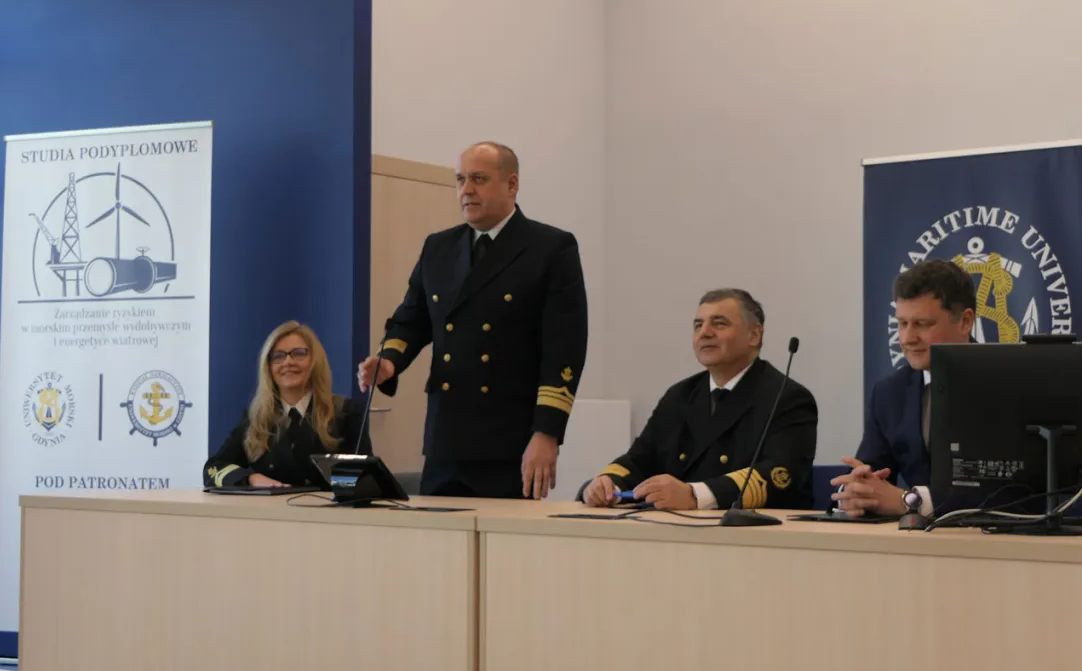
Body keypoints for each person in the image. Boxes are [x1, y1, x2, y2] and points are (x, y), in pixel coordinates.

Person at [358, 141, 588, 500]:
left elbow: (564, 350)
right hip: (445, 439)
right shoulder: (438, 247)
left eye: (478, 179)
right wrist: (388, 361)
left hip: (510, 441)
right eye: (460, 179)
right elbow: (410, 319)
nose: (466, 190)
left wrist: (547, 432)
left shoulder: (550, 248)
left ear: (512, 184)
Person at [582, 289, 817, 510]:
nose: (704, 333)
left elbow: (779, 476)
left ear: (754, 335)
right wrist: (608, 484)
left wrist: (695, 495)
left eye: (719, 323)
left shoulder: (787, 397)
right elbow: (639, 460)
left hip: (755, 533)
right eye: (698, 325)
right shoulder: (680, 396)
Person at [831, 259, 975, 518]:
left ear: (965, 321)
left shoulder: (1008, 384)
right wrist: (855, 489)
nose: (907, 338)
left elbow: (1016, 493)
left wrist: (909, 501)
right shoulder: (889, 394)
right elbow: (871, 473)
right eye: (902, 323)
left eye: (923, 324)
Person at [204, 321, 371, 488]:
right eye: (278, 356)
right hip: (270, 505)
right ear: (268, 367)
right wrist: (251, 479)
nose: (288, 362)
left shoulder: (346, 412)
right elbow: (214, 468)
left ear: (315, 361)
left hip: (324, 505)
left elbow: (363, 479)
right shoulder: (256, 418)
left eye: (298, 353)